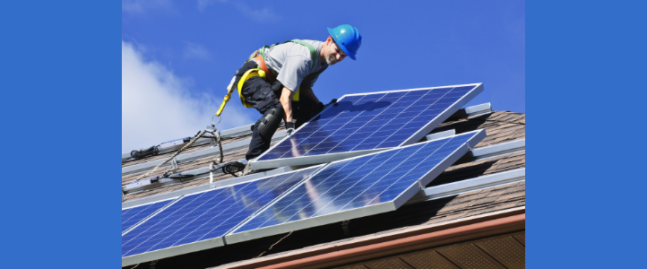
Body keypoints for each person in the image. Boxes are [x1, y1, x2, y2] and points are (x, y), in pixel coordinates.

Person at [225, 24, 362, 161]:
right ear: (328, 40)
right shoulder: (304, 57)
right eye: (337, 51)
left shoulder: (323, 62)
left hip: (275, 83)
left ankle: (311, 152)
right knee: (275, 111)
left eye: (343, 56)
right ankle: (254, 160)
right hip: (253, 77)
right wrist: (291, 133)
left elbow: (304, 88)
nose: (338, 57)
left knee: (313, 110)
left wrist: (319, 106)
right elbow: (286, 97)